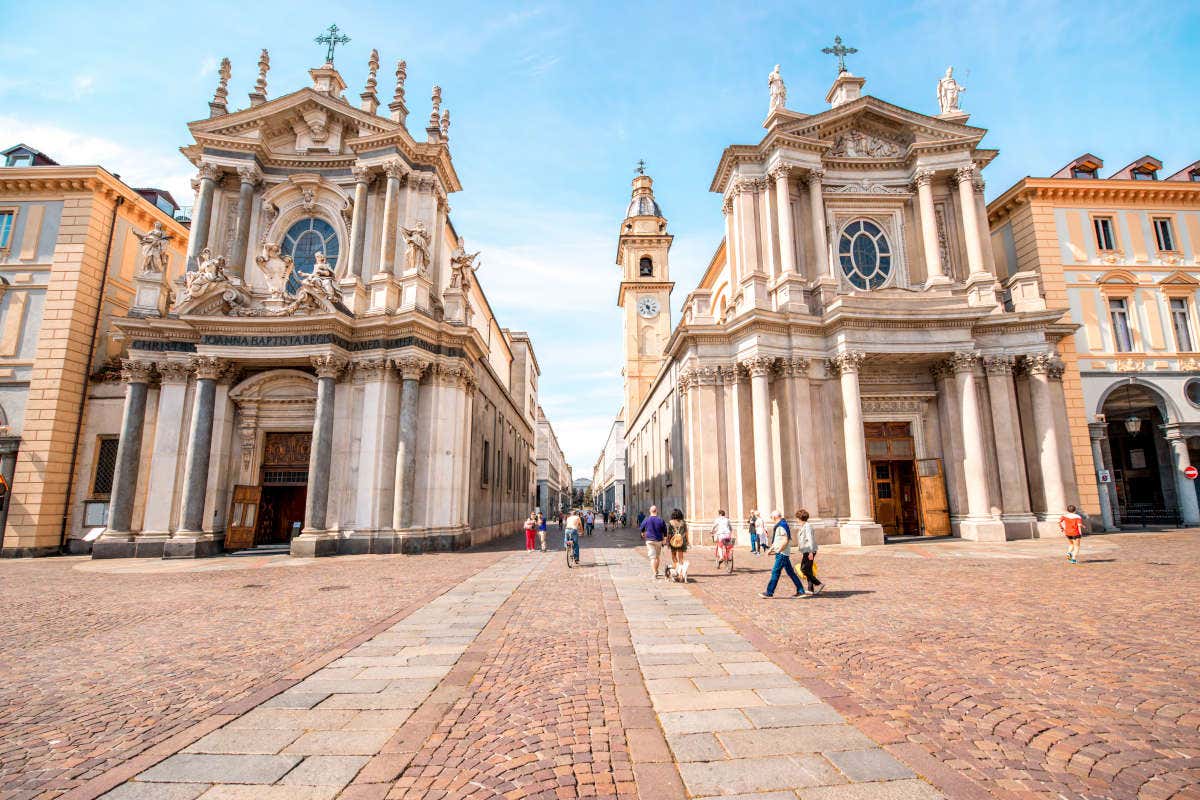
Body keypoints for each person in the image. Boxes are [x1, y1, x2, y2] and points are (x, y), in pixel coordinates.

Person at [760, 510, 804, 598]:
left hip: (782, 553)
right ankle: (800, 590)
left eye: (771, 518)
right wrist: (771, 549)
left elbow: (785, 540)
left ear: (774, 517)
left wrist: (779, 550)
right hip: (782, 552)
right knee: (791, 573)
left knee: (775, 572)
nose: (772, 519)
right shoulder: (781, 525)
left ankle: (769, 592)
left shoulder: (781, 526)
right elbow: (777, 540)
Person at [795, 508, 824, 595]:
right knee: (809, 569)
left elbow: (810, 539)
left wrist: (811, 552)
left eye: (797, 518)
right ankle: (810, 589)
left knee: (803, 569)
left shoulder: (807, 526)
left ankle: (818, 584)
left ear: (800, 518)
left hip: (809, 551)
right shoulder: (804, 526)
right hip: (807, 551)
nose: (796, 520)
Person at [640, 505, 667, 579]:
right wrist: (664, 539)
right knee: (657, 557)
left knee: (652, 557)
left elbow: (641, 527)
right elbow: (665, 530)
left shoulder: (647, 519)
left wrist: (642, 533)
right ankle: (656, 570)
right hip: (658, 540)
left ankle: (654, 572)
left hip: (649, 540)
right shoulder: (660, 519)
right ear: (656, 511)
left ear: (650, 511)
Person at [666, 508, 690, 582]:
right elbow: (686, 532)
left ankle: (676, 568)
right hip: (682, 542)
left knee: (673, 556)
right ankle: (681, 573)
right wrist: (688, 541)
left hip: (673, 542)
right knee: (681, 558)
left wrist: (667, 541)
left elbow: (669, 534)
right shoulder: (683, 522)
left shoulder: (670, 522)